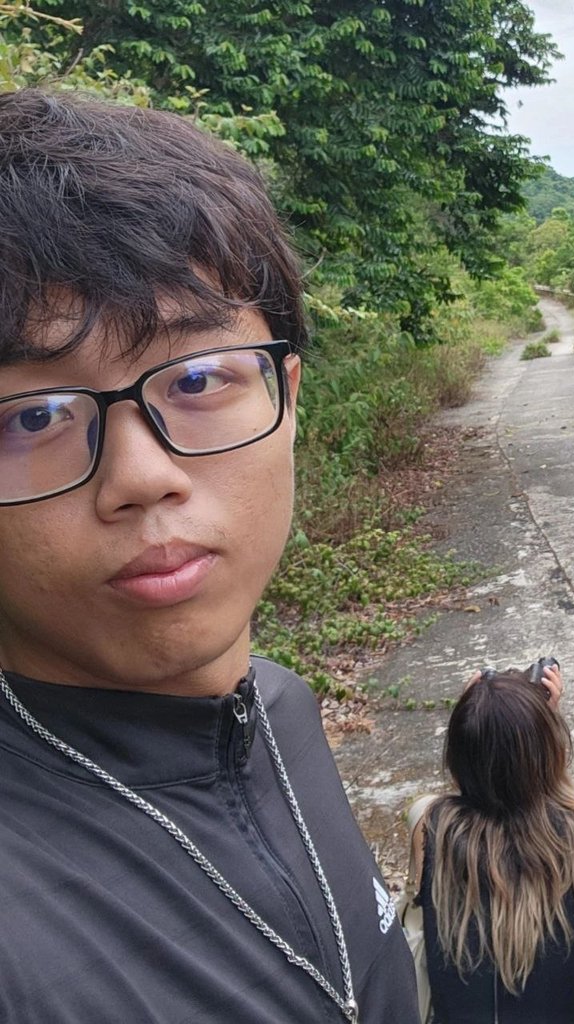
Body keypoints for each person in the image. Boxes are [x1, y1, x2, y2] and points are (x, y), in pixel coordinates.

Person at [0, 88, 418, 1022]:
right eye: (33, 416)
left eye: (195, 379)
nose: (141, 478)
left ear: (288, 397)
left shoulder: (280, 706)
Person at [408, 663, 574, 1023]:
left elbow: (469, 793)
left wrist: (477, 714)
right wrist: (545, 724)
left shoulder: (429, 825)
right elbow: (567, 803)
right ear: (550, 752)